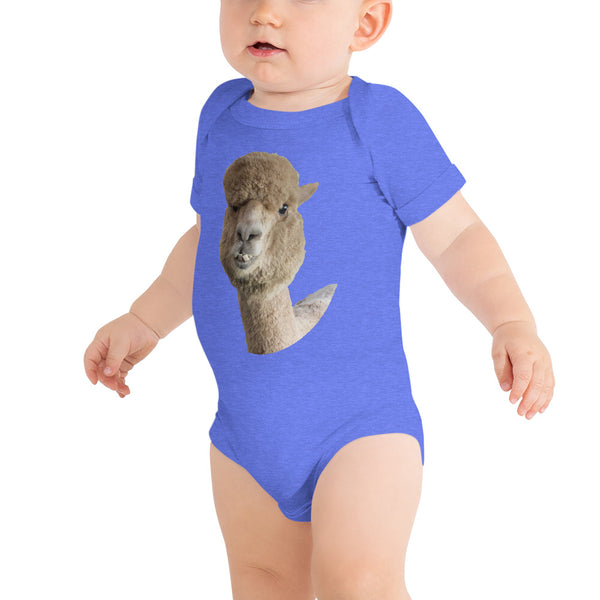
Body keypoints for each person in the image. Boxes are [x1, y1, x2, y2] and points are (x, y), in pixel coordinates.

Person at [83, 1, 555, 598]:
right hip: (245, 433)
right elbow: (209, 241)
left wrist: (510, 319)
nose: (264, 13)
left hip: (360, 429)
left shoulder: (378, 121)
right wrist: (145, 318)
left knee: (358, 583)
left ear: (366, 23)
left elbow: (457, 235)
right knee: (262, 582)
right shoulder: (221, 114)